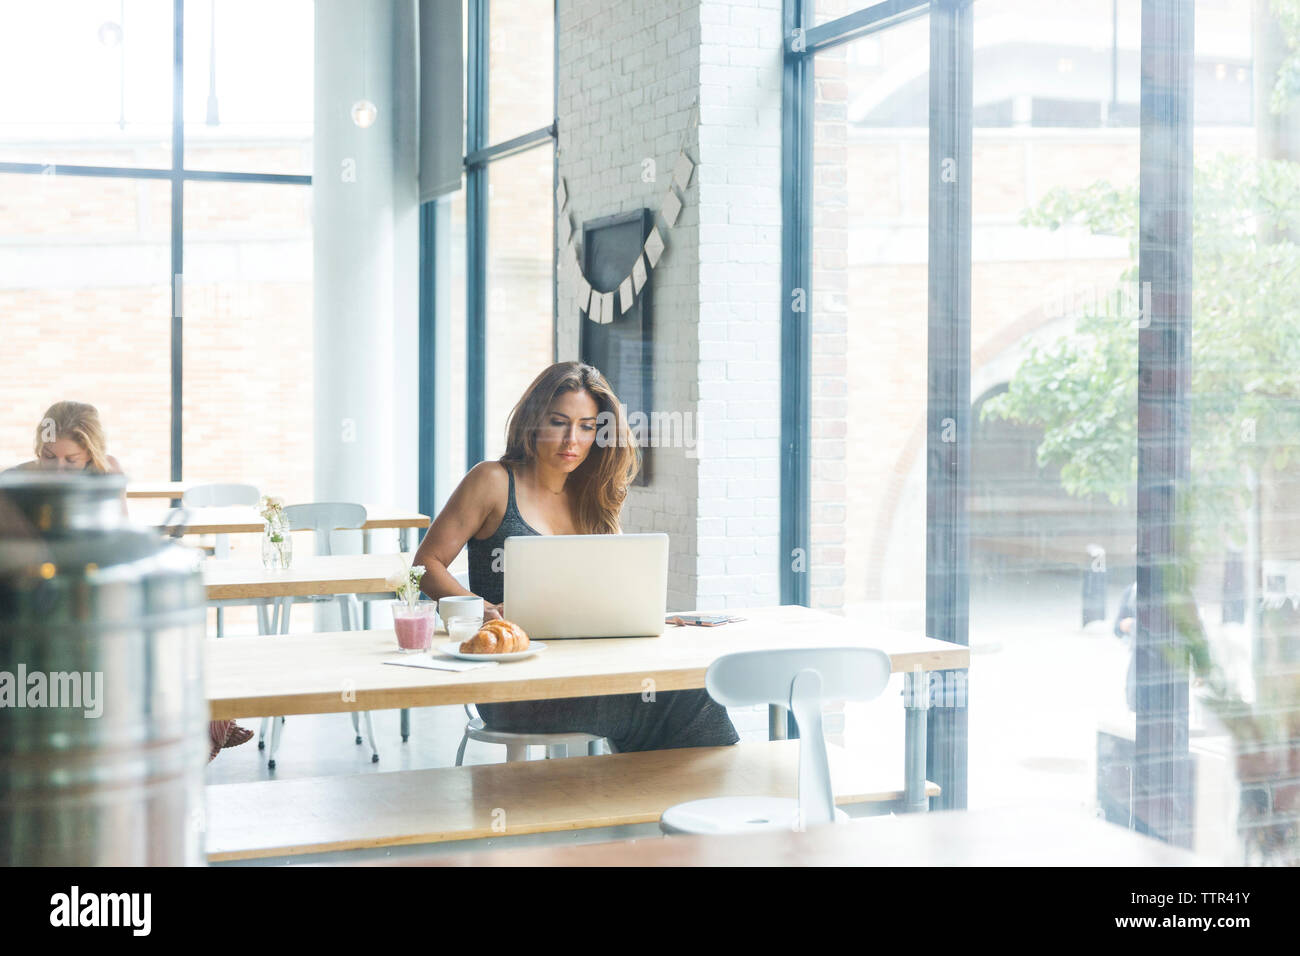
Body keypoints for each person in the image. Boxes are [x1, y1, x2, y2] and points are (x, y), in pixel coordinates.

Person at [414, 361, 739, 753]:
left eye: (587, 426)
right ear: (534, 421)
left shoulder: (594, 498)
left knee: (689, 689)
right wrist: (482, 610)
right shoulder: (493, 480)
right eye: (558, 422)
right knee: (688, 701)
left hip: (590, 669)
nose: (572, 439)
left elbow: (611, 590)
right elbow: (424, 566)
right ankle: (691, 802)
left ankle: (667, 801)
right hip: (515, 686)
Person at [13, 402, 253, 759]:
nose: (58, 468)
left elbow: (121, 542)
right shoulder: (19, 482)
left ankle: (198, 725)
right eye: (50, 457)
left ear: (91, 455)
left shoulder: (108, 474)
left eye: (71, 460)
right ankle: (203, 726)